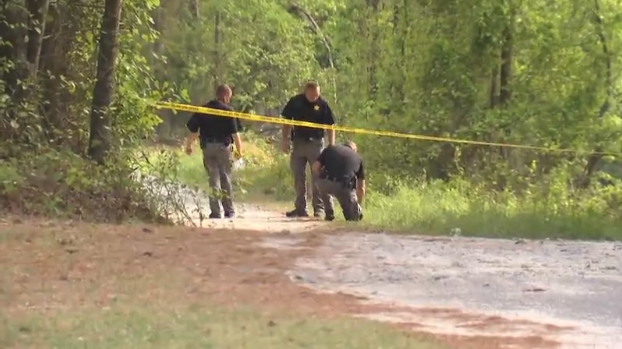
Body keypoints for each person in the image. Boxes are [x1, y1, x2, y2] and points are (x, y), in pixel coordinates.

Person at [185, 84, 243, 219]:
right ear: (225, 96)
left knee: (213, 179)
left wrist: (189, 145)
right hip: (224, 148)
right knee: (225, 178)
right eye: (229, 97)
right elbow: (235, 134)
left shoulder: (203, 109)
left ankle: (215, 212)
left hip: (208, 148)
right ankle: (229, 211)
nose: (229, 100)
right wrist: (239, 151)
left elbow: (193, 131)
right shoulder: (228, 110)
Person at [281, 81, 336, 218]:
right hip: (298, 144)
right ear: (306, 92)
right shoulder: (295, 102)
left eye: (317, 94)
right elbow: (286, 122)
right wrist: (285, 139)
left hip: (316, 144)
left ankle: (319, 209)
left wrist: (331, 146)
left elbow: (331, 126)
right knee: (298, 177)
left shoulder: (323, 105)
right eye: (312, 94)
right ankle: (300, 208)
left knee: (317, 177)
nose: (315, 97)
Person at [311, 141, 365, 221]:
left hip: (325, 183)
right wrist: (358, 205)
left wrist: (321, 177)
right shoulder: (358, 158)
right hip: (343, 187)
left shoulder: (330, 149)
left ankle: (329, 213)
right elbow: (361, 188)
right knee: (354, 218)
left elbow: (315, 167)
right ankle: (352, 215)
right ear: (354, 150)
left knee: (322, 184)